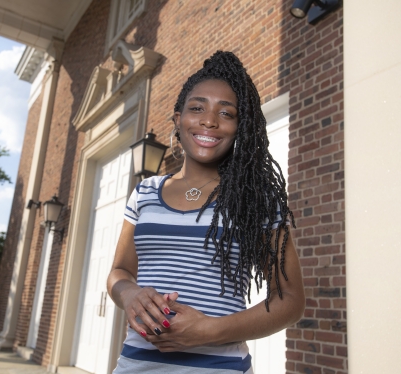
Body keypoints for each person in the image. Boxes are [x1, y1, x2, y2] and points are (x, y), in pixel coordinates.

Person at [107, 51, 305, 373]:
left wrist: (208, 331)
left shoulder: (256, 199)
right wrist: (130, 294)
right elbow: (120, 271)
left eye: (226, 113)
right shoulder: (145, 193)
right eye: (197, 108)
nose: (209, 120)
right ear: (177, 119)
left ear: (240, 127)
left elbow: (291, 301)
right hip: (135, 365)